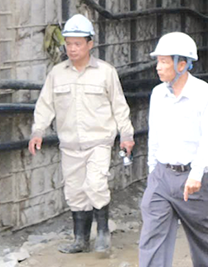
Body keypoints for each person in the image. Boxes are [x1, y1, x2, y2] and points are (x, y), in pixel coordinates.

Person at [120, 32, 208, 267]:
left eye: (164, 61)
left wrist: (197, 174)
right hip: (162, 175)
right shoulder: (157, 94)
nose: (158, 66)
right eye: (159, 61)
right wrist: (153, 171)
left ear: (182, 64)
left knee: (200, 230)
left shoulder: (204, 94)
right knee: (152, 232)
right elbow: (155, 135)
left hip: (193, 174)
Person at [29, 14, 135, 254]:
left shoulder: (106, 72)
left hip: (98, 142)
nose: (72, 49)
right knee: (75, 191)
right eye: (68, 43)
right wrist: (38, 131)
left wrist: (126, 135)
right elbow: (45, 105)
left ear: (90, 44)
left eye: (78, 44)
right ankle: (80, 239)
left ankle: (103, 235)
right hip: (70, 144)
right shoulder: (57, 74)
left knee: (96, 185)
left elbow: (119, 106)